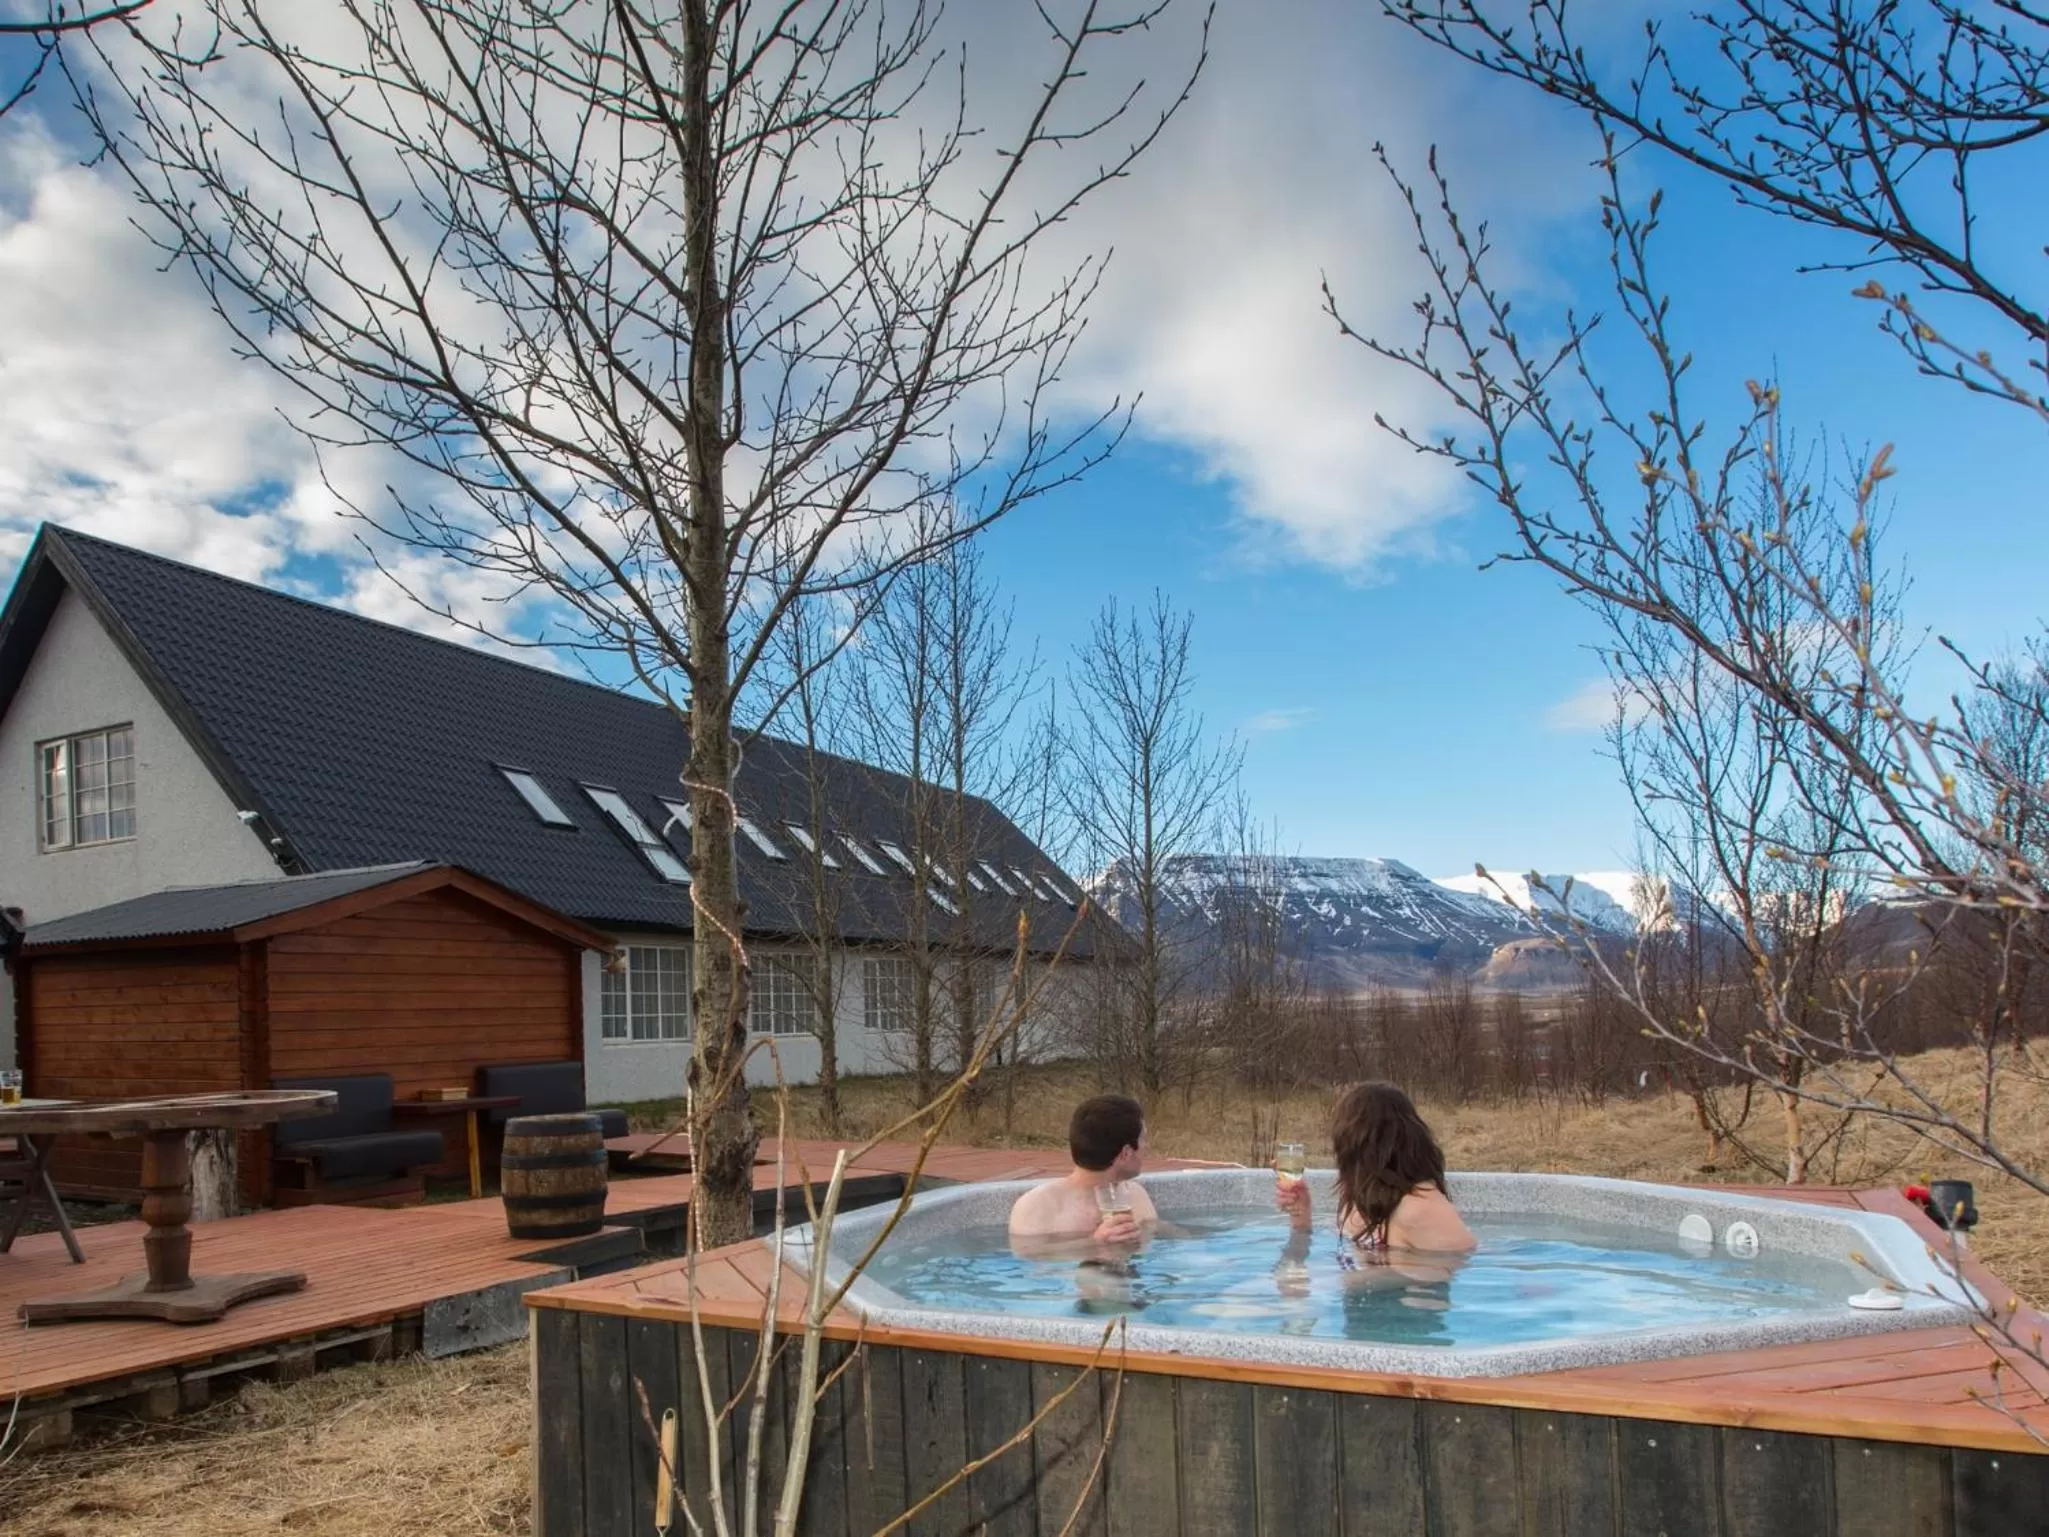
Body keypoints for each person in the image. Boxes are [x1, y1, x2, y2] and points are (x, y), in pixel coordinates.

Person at [1276, 1081, 1474, 1264]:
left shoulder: (1423, 1208)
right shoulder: (1364, 1203)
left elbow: (1446, 1269)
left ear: (1356, 1145)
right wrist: (1301, 1215)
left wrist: (1335, 1284)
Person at [1009, 1093, 1159, 1244]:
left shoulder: (1135, 1194)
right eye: (1143, 1139)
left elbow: (1162, 1236)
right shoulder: (1037, 1207)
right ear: (1125, 1153)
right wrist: (1094, 1243)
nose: (1147, 1147)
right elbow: (1028, 1257)